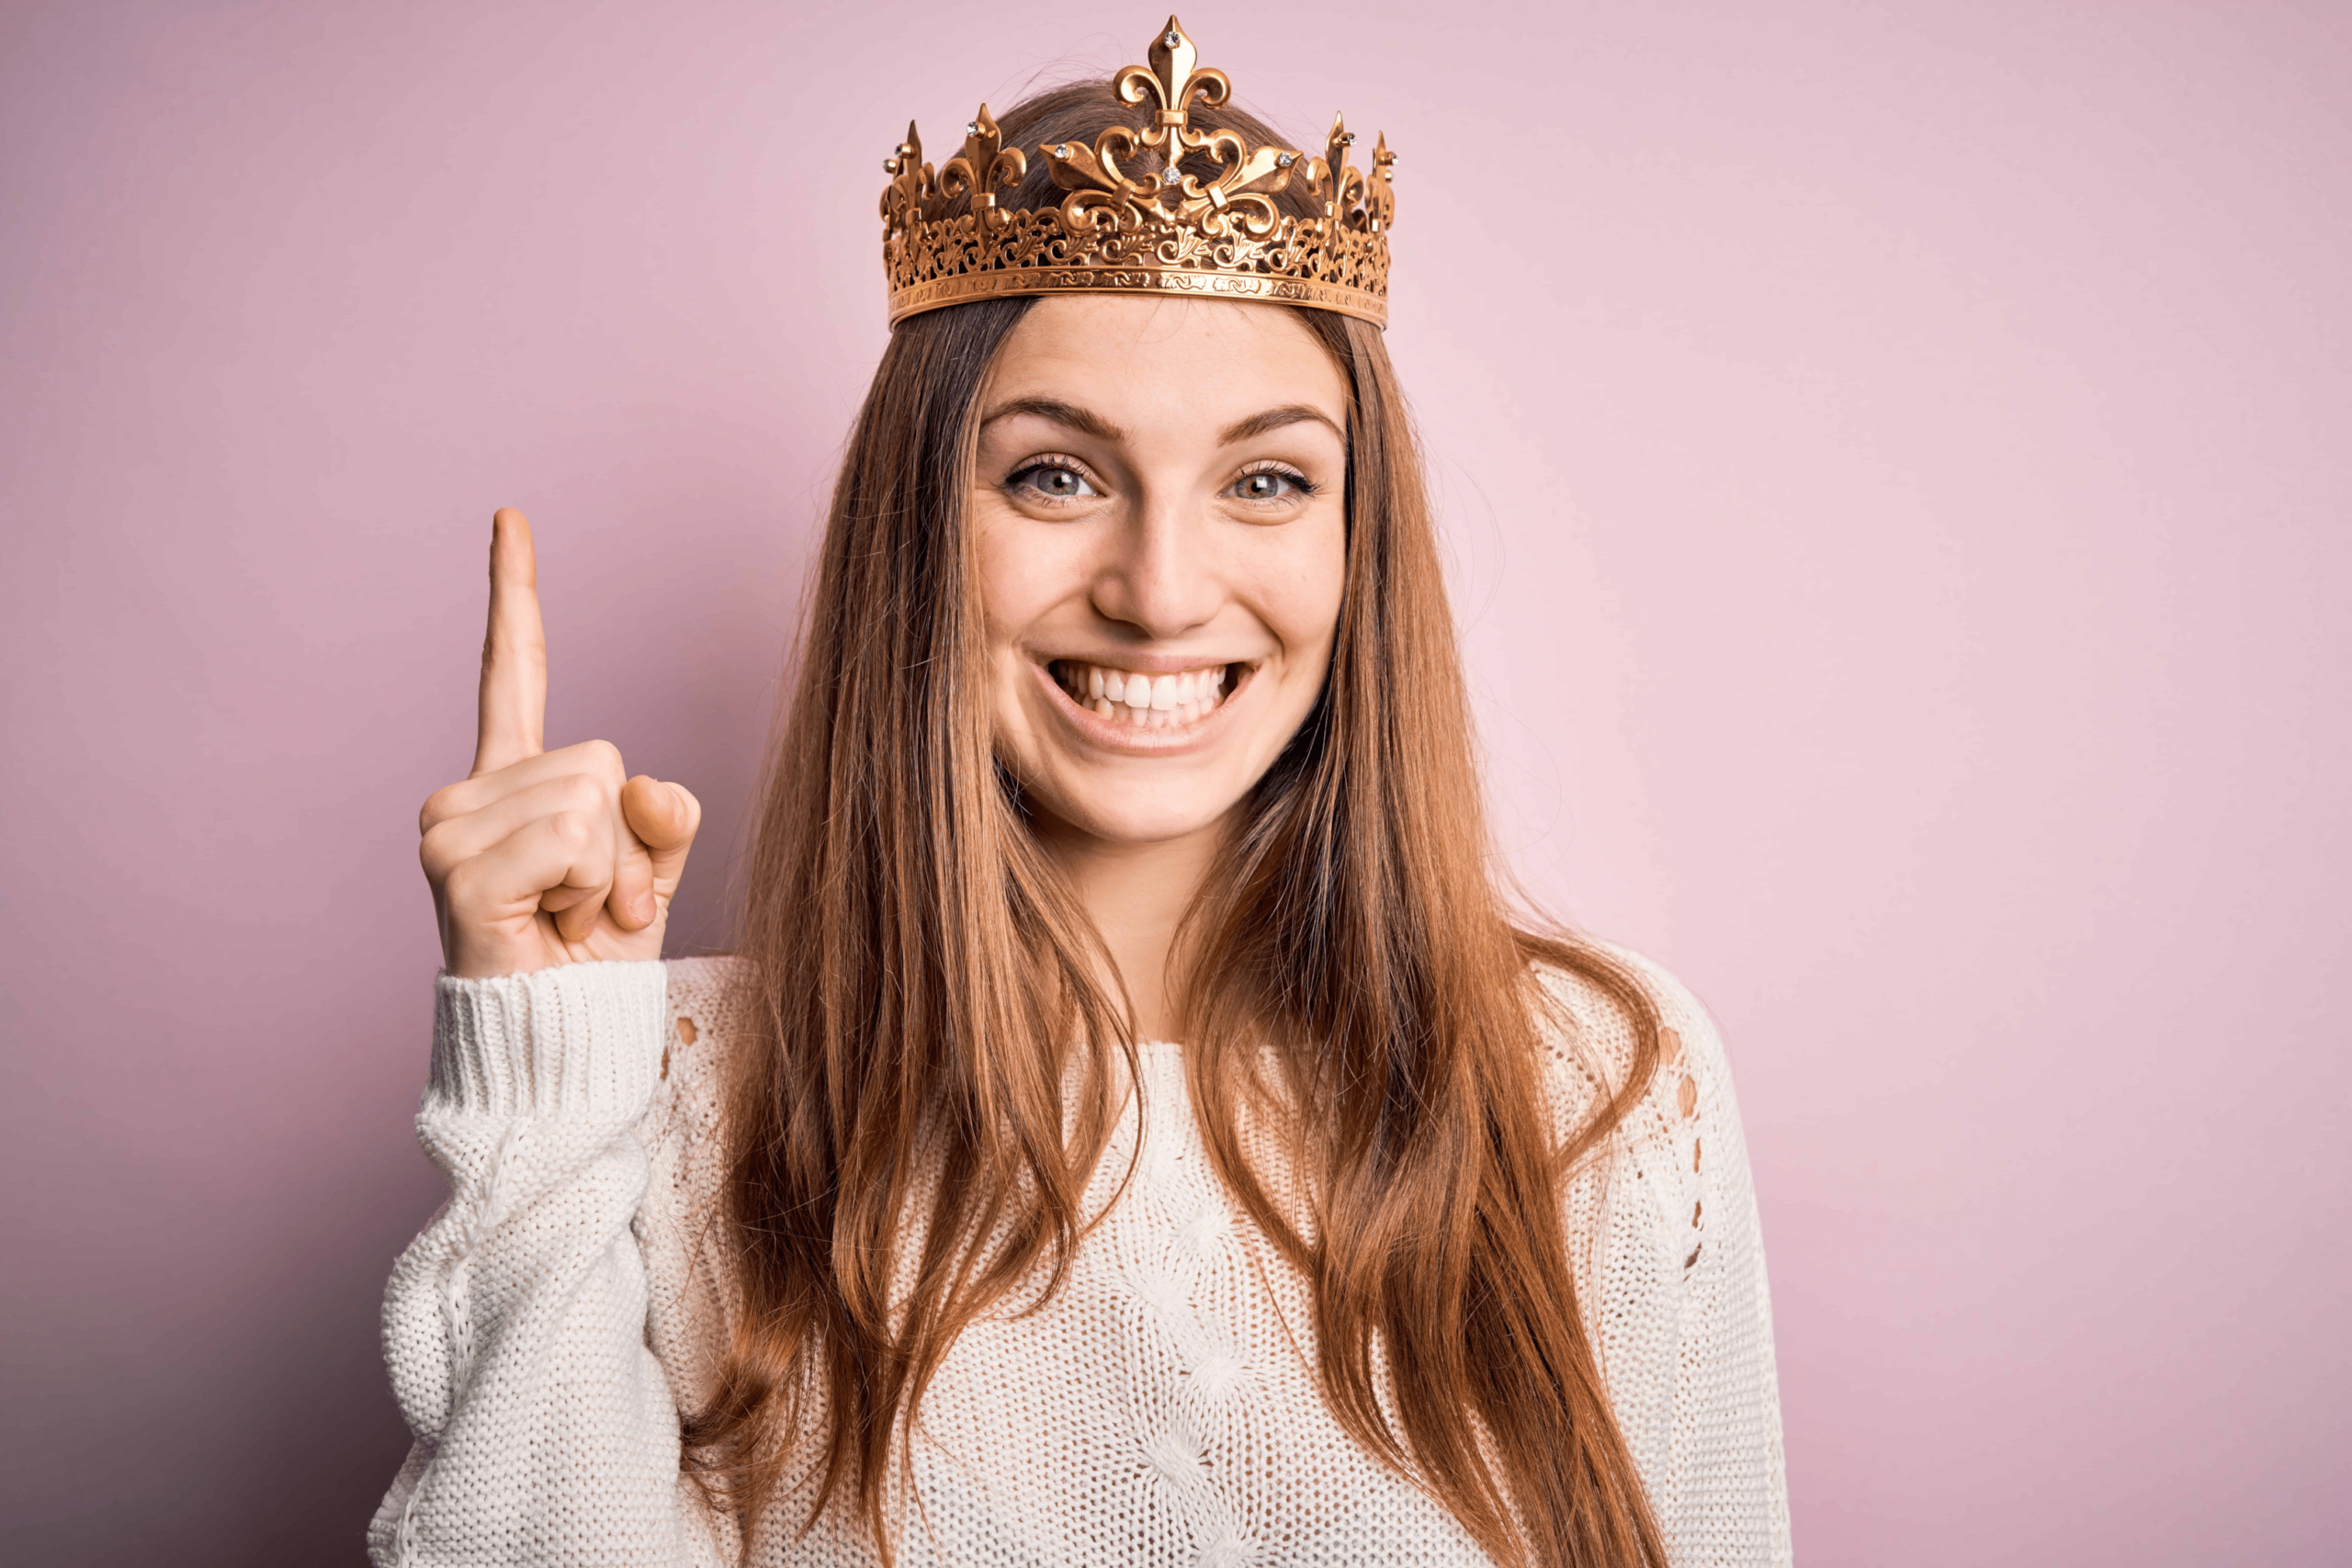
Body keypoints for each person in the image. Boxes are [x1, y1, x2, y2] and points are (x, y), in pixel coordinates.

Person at [373, 19, 1791, 1567]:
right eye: (1057, 473)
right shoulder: (682, 1093)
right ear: (919, 528)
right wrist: (544, 1061)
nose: (1162, 590)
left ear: (1357, 545)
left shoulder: (1602, 1088)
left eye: (1266, 479)